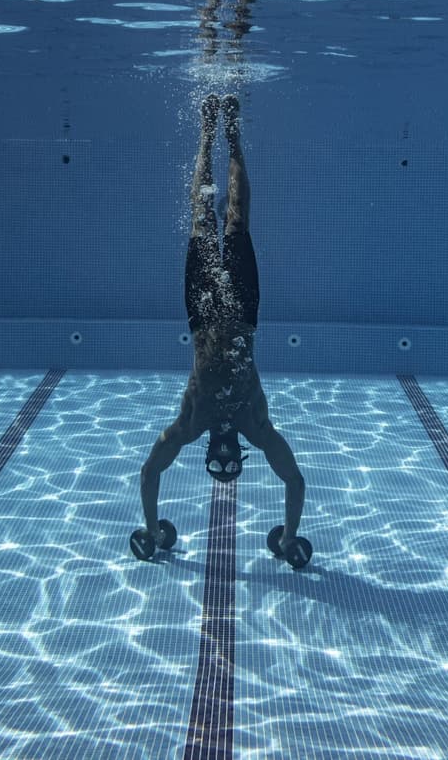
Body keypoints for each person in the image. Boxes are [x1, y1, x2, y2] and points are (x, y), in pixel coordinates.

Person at [140, 93, 305, 555]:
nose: (226, 454)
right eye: (232, 462)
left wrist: (153, 530)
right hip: (237, 314)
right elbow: (293, 480)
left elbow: (151, 471)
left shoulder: (193, 423)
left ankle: (211, 133)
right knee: (230, 221)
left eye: (220, 461)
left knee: (208, 219)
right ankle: (225, 134)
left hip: (209, 314)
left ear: (212, 452)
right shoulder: (253, 424)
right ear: (238, 453)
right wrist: (288, 537)